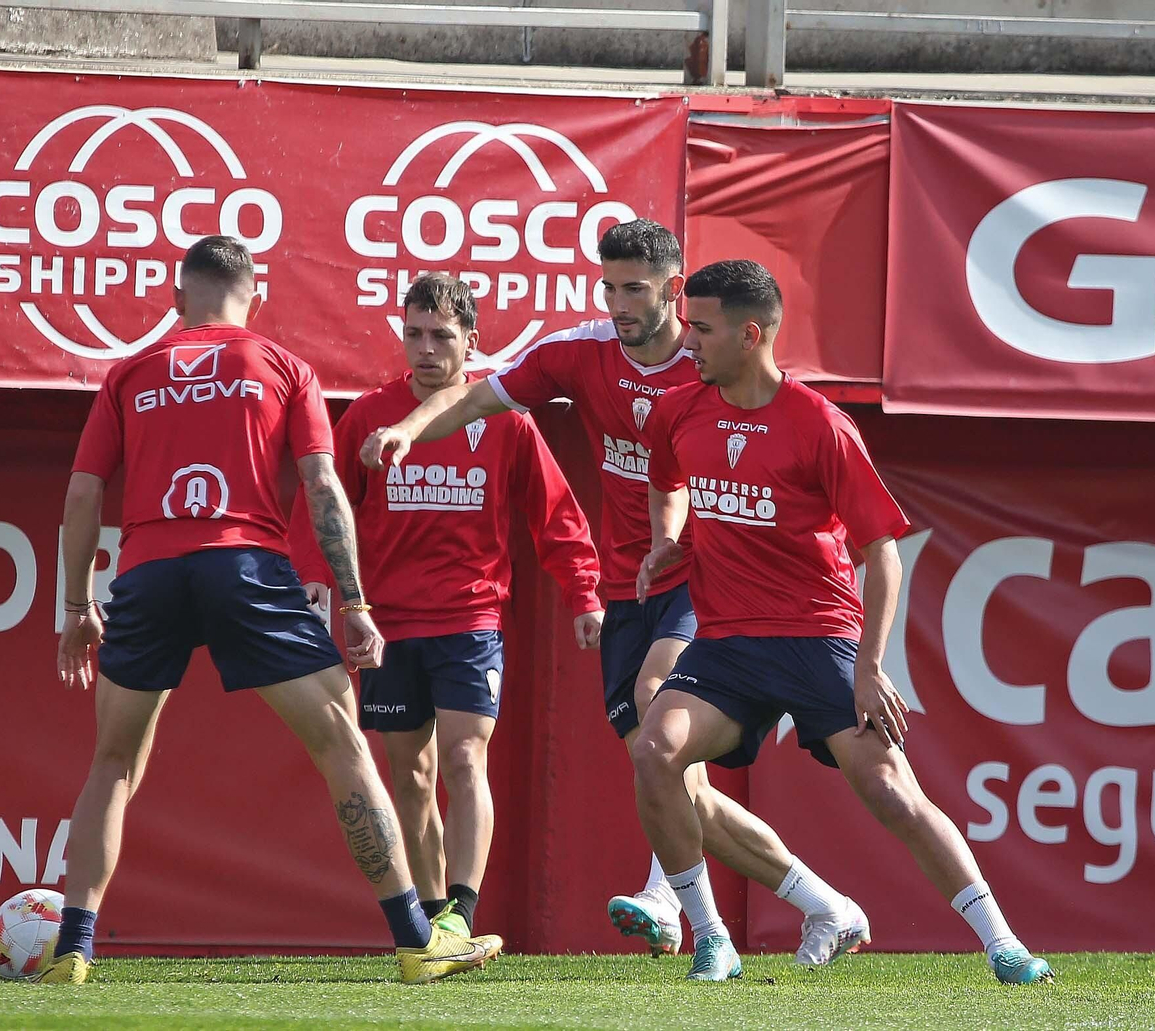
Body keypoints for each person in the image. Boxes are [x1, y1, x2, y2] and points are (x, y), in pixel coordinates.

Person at [359, 221, 867, 966]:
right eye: (609, 286)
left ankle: (673, 905)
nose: (619, 301)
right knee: (665, 774)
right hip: (634, 589)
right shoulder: (580, 354)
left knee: (661, 710)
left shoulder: (712, 361)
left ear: (673, 286)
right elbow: (474, 400)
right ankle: (825, 904)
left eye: (635, 286)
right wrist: (409, 427)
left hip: (703, 579)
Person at [48, 236, 503, 986]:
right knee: (342, 747)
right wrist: (354, 602)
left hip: (150, 569)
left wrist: (75, 605)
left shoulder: (129, 372)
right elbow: (323, 489)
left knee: (114, 763)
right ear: (256, 298)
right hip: (244, 565)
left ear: (175, 299)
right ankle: (417, 939)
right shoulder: (283, 366)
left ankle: (72, 949)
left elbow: (81, 495)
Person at [631, 258, 1053, 984]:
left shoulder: (820, 425)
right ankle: (710, 937)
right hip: (728, 642)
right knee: (653, 750)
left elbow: (882, 556)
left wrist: (867, 665)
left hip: (818, 638)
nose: (685, 341)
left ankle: (1003, 943)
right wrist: (671, 540)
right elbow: (669, 482)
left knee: (894, 793)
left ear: (751, 333)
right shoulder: (678, 409)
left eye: (700, 328)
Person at [287, 273, 604, 938]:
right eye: (414, 334)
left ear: (471, 341)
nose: (426, 348)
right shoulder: (371, 414)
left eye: (440, 335)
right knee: (412, 774)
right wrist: (318, 578)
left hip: (471, 620)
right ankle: (434, 925)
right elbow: (321, 501)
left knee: (464, 759)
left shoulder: (503, 417)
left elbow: (556, 515)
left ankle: (462, 910)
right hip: (389, 623)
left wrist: (583, 591)